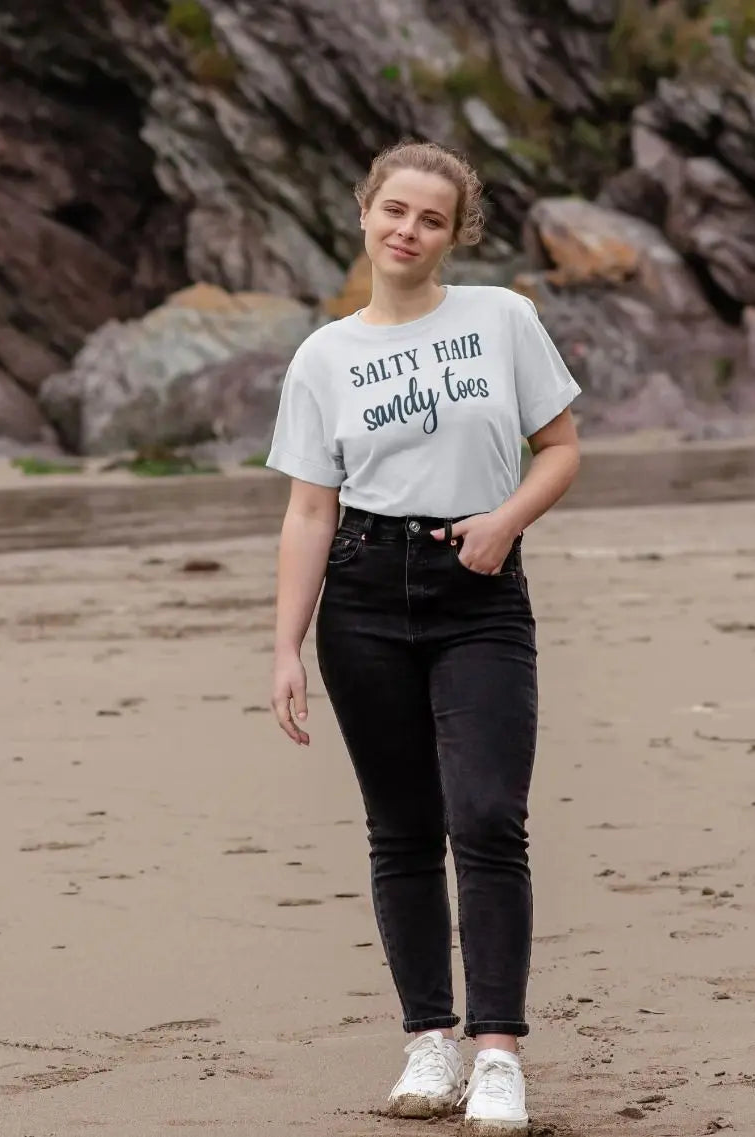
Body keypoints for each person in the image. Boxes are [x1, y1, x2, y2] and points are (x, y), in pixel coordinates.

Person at [265, 139, 581, 1135]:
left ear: (455, 234)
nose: (408, 230)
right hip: (362, 593)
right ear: (365, 212)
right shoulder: (323, 357)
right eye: (394, 210)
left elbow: (560, 449)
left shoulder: (503, 318)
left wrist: (505, 522)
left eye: (431, 218)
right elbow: (309, 510)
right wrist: (285, 646)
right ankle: (430, 1041)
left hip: (479, 590)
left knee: (487, 815)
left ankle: (498, 1054)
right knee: (400, 828)